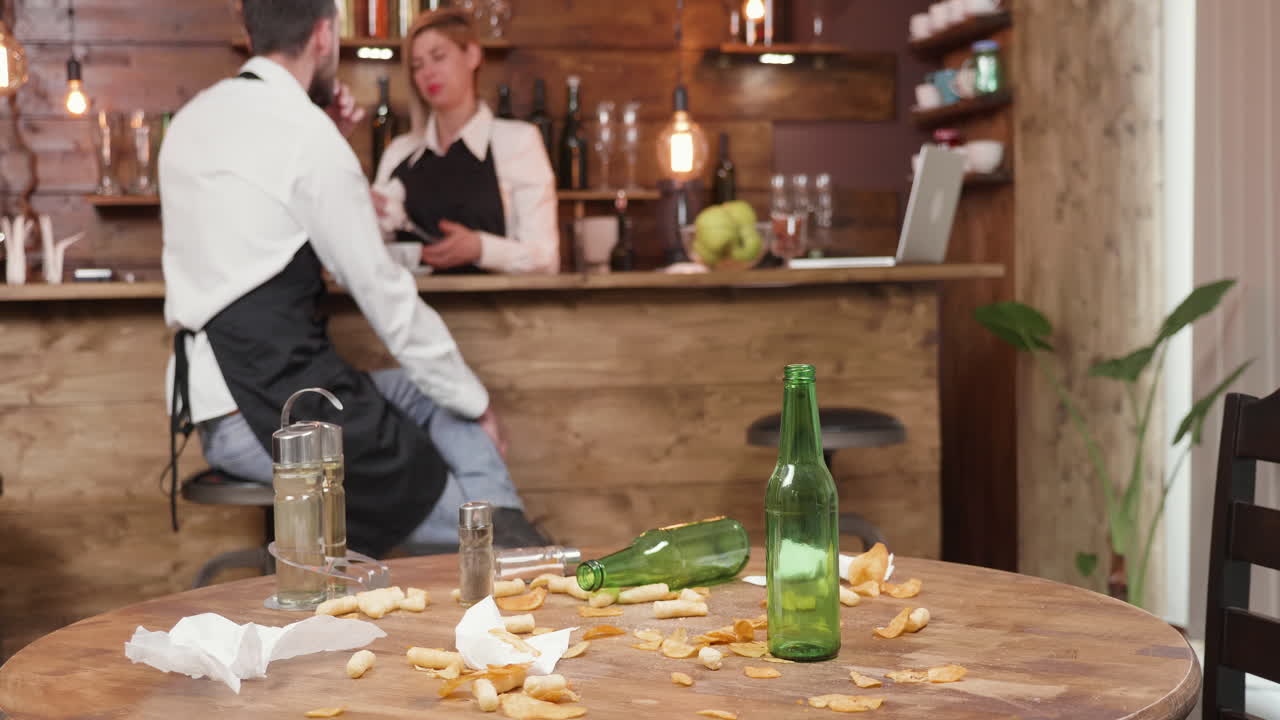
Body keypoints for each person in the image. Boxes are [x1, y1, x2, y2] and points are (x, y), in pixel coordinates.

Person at [160, 0, 544, 558]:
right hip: (274, 415)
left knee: (428, 398)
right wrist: (479, 402)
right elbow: (385, 297)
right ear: (323, 35)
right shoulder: (306, 137)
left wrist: (329, 132)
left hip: (214, 415)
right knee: (470, 518)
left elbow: (253, 229)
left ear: (249, 31)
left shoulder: (193, 120)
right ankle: (521, 562)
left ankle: (516, 540)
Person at [371, 9, 558, 275]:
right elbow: (374, 255)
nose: (428, 73)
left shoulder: (518, 142)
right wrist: (371, 221)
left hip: (497, 314)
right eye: (417, 65)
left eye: (438, 57)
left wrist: (480, 248)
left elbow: (546, 258)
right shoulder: (399, 153)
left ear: (472, 55)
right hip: (412, 312)